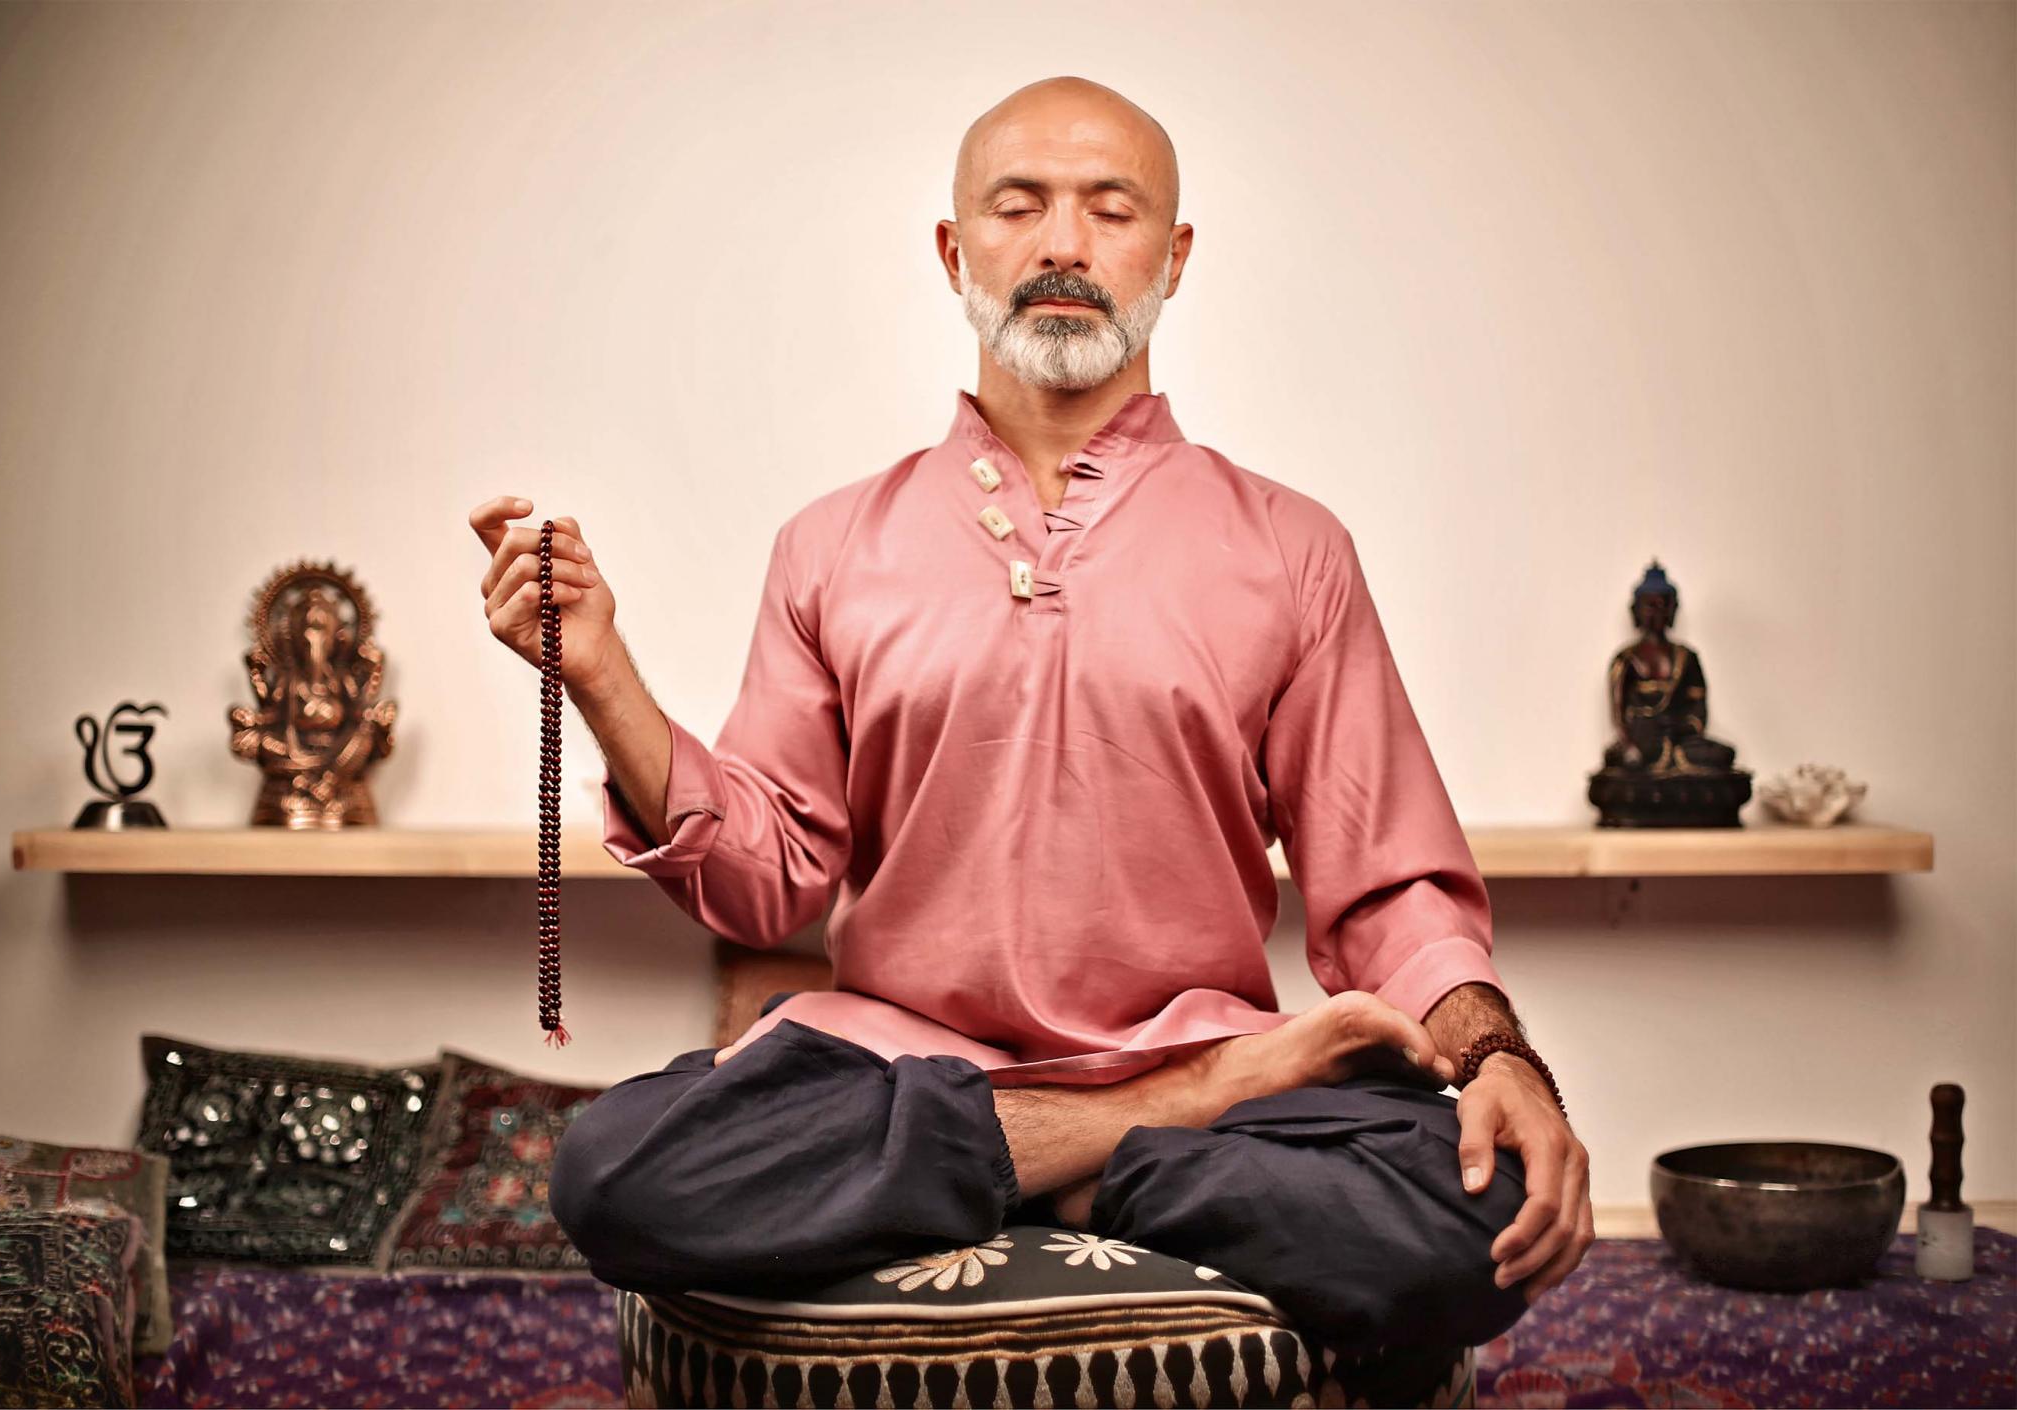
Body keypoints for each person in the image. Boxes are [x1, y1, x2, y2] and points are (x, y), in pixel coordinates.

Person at [469, 75, 1592, 1354]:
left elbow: (1392, 891)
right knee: (613, 1169)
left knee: (1481, 1205)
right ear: (955, 252)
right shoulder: (830, 546)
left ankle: (1049, 1159)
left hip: (1210, 1063)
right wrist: (600, 674)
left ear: (1173, 256)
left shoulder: (1292, 548)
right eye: (1018, 207)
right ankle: (1118, 1145)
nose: (1063, 245)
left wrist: (1503, 1063)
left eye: (1110, 211)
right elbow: (764, 884)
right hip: (898, 1073)